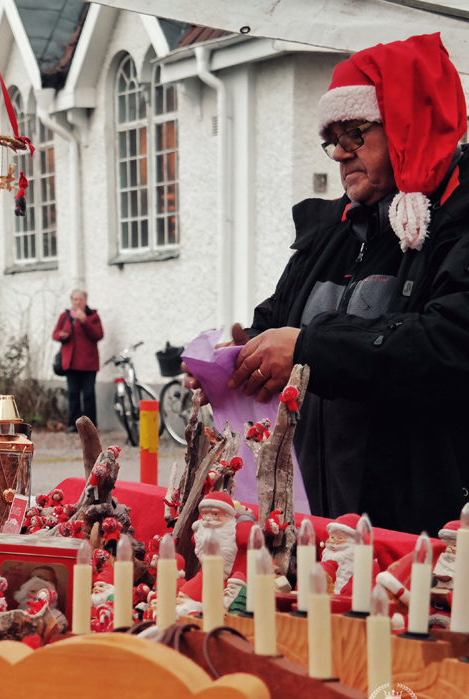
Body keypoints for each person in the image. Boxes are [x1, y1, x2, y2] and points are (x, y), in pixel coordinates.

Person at [189, 34, 469, 536]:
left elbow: (447, 345)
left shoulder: (458, 222)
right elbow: (276, 323)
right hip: (311, 522)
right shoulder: (332, 232)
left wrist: (307, 348)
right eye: (332, 139)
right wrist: (235, 360)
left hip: (417, 532)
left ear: (408, 123)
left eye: (355, 134)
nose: (338, 154)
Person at [53, 289, 103, 431]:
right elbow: (55, 334)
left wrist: (85, 322)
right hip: (71, 363)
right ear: (72, 301)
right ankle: (73, 425)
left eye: (80, 299)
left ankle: (91, 425)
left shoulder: (93, 316)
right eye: (75, 299)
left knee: (88, 395)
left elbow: (98, 335)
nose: (77, 302)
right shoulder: (65, 316)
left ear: (85, 300)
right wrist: (61, 335)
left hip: (89, 363)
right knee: (73, 394)